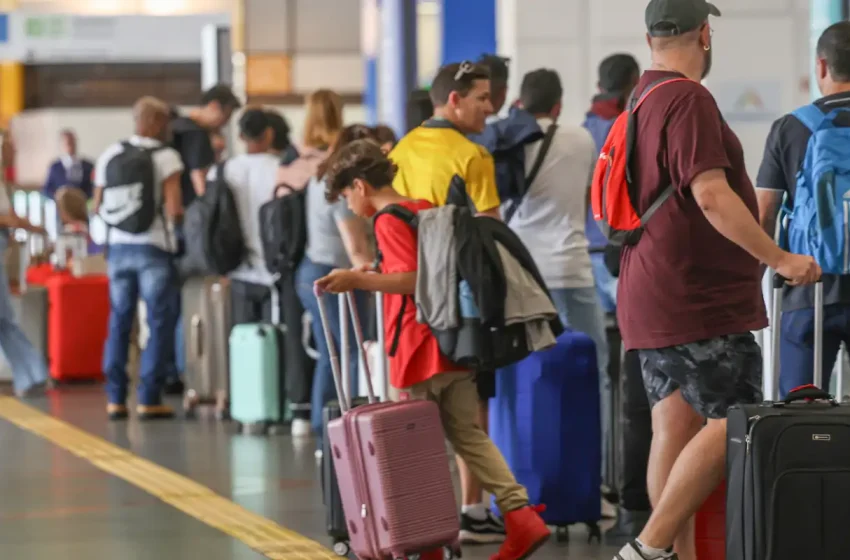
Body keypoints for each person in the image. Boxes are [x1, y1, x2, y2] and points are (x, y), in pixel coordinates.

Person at [611, 2, 821, 560]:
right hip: (693, 293)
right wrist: (779, 258)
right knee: (736, 416)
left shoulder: (641, 99)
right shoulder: (688, 98)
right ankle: (650, 547)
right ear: (705, 33)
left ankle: (670, 555)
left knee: (673, 428)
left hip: (649, 288)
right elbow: (709, 193)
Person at [315, 139, 551, 560]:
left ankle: (428, 542)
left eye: (346, 196)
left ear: (359, 185)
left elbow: (411, 279)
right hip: (452, 343)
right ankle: (521, 516)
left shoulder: (388, 219)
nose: (349, 206)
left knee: (412, 451)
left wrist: (358, 280)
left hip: (416, 347)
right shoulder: (422, 207)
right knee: (469, 436)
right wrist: (375, 271)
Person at [389, 61, 505, 543]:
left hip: (407, 296)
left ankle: (420, 514)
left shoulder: (400, 149)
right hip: (462, 300)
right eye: (482, 97)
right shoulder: (472, 155)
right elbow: (492, 230)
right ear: (453, 100)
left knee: (413, 405)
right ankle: (472, 508)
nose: (491, 106)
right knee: (471, 402)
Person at [509, 67, 611, 491]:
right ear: (558, 105)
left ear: (520, 102)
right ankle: (596, 477)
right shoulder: (581, 139)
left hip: (523, 277)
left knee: (527, 376)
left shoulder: (511, 142)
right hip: (572, 270)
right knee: (596, 372)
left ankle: (527, 478)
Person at [757, 21, 850, 397]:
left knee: (800, 411)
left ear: (822, 67)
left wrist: (755, 282)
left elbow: (763, 215)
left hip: (807, 288)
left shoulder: (791, 127)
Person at [94, 96, 184, 422]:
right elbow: (173, 209)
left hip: (118, 249)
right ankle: (149, 398)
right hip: (153, 248)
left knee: (119, 320)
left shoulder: (110, 154)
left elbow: (97, 207)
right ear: (158, 122)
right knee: (158, 322)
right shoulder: (167, 157)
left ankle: (115, 399)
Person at [294, 124, 376, 451]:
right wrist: (378, 274)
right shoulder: (343, 187)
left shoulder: (319, 176)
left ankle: (325, 432)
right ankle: (344, 431)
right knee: (350, 353)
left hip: (312, 268)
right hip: (335, 275)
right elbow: (355, 247)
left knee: (333, 354)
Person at [277, 89, 345, 437]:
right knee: (341, 349)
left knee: (323, 347)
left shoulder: (292, 164)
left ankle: (309, 415)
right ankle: (329, 422)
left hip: (295, 263)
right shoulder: (335, 161)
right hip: (329, 261)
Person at [169, 84, 241, 395]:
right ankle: (191, 370)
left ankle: (172, 370)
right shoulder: (196, 135)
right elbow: (202, 186)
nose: (224, 123)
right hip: (192, 226)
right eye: (225, 115)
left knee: (171, 303)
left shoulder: (173, 127)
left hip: (167, 226)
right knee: (194, 298)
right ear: (214, 105)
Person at [583, 54, 641, 313]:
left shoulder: (582, 131)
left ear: (599, 87)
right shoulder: (631, 129)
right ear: (635, 82)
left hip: (585, 255)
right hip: (621, 251)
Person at [42, 129, 95, 202]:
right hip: (62, 208)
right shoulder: (55, 167)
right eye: (67, 143)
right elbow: (47, 189)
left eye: (72, 142)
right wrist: (59, 196)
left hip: (81, 206)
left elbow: (93, 187)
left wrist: (82, 197)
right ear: (61, 145)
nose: (70, 145)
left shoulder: (87, 166)